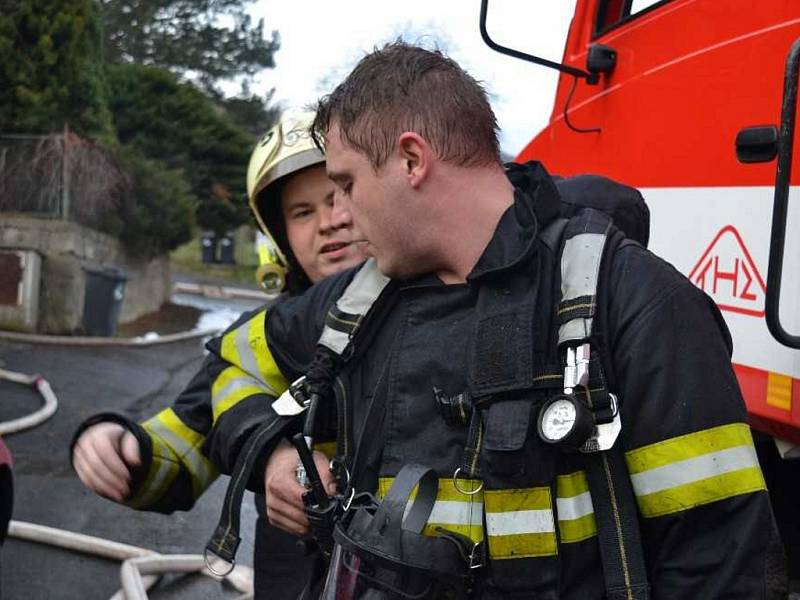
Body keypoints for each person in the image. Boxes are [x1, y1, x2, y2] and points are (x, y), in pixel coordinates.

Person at [197, 42, 785, 598]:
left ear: (410, 159)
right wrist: (273, 451)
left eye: (347, 184)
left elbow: (718, 563)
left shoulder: (635, 303)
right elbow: (229, 360)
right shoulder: (357, 300)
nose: (342, 214)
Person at [70, 111, 367, 599]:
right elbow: (181, 450)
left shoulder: (438, 304)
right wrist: (118, 446)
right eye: (301, 212)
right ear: (279, 238)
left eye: (339, 196)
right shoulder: (260, 340)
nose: (329, 223)